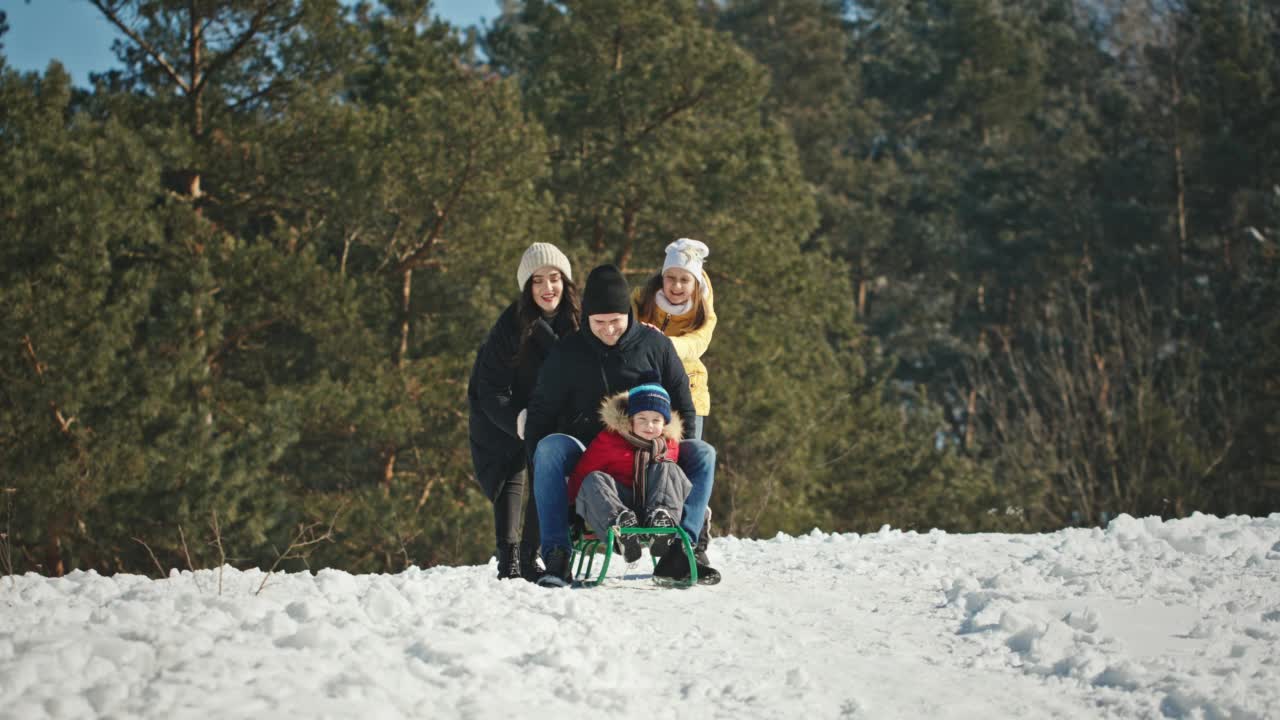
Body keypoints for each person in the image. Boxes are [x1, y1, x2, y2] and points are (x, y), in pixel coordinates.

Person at [525, 264, 721, 588]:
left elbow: (683, 406)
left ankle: (682, 550)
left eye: (616, 321)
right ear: (586, 318)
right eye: (599, 322)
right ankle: (558, 555)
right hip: (590, 454)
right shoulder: (568, 353)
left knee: (702, 452)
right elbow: (541, 412)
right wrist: (539, 464)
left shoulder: (655, 346)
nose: (609, 330)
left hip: (650, 449)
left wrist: (670, 452)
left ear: (627, 315)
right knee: (548, 449)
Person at [467, 243, 579, 581]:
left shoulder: (578, 319)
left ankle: (531, 556)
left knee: (545, 474)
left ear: (566, 281)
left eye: (555, 278)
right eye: (538, 281)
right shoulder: (510, 324)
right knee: (509, 473)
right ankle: (509, 559)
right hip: (501, 408)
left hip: (549, 410)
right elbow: (491, 388)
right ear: (527, 287)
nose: (548, 288)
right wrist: (518, 420)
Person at [633, 237, 718, 565]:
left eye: (684, 280)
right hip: (649, 394)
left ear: (695, 283)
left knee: (690, 466)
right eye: (671, 278)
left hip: (689, 395)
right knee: (658, 469)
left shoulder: (703, 310)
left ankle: (693, 544)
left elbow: (697, 344)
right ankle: (661, 531)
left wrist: (660, 342)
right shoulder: (643, 299)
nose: (677, 286)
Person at [568, 375, 690, 564]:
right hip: (618, 504)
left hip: (653, 504)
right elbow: (581, 476)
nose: (649, 426)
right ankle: (622, 528)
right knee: (593, 479)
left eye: (656, 420)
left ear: (664, 423)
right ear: (630, 419)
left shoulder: (669, 444)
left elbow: (673, 485)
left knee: (667, 468)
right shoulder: (610, 440)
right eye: (642, 419)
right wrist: (571, 513)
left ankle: (661, 523)